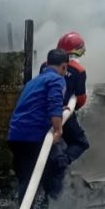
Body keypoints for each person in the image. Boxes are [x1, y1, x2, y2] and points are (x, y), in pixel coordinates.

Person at [8, 49, 71, 206]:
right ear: (64, 67)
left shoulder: (33, 81)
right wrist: (58, 130)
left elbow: (35, 105)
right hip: (34, 137)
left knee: (27, 179)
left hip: (15, 136)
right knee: (58, 163)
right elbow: (54, 103)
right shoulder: (57, 80)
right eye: (66, 68)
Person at [40, 32, 90, 164]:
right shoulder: (79, 71)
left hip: (43, 113)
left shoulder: (44, 66)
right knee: (81, 143)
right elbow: (80, 99)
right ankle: (60, 164)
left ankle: (50, 163)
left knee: (48, 144)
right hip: (63, 113)